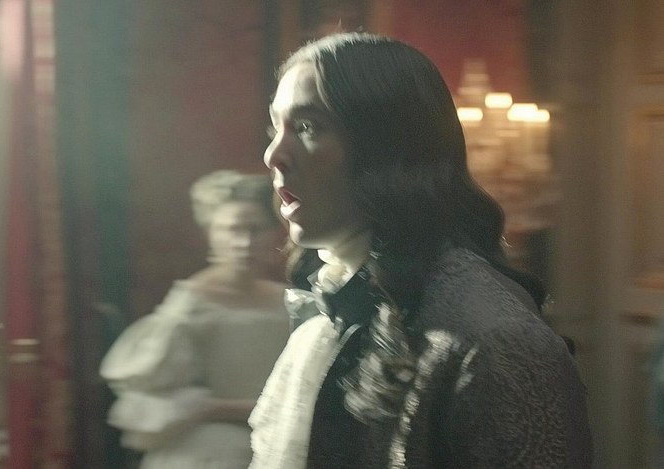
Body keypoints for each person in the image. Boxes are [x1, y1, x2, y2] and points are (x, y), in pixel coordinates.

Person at [248, 32, 593, 468]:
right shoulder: (336, 309)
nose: (273, 155)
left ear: (385, 146)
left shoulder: (495, 339)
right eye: (275, 128)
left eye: (307, 127)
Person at [101, 170, 290, 469]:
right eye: (231, 230)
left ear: (273, 232)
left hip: (280, 435)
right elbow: (158, 400)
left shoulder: (286, 299)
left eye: (256, 229)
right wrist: (240, 410)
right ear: (211, 233)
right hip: (216, 446)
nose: (244, 242)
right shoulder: (191, 304)